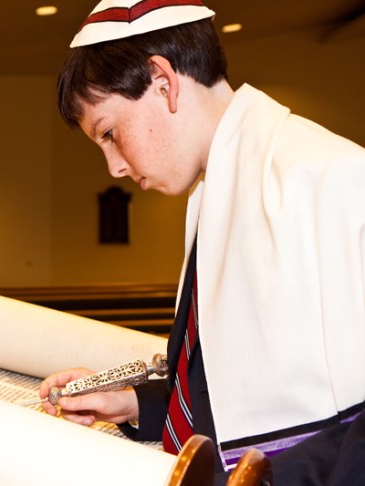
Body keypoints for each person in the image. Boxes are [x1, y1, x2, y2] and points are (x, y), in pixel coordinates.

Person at [38, 0, 365, 483]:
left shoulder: (334, 179)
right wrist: (134, 404)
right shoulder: (212, 189)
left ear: (163, 82)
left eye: (110, 133)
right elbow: (229, 389)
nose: (115, 167)